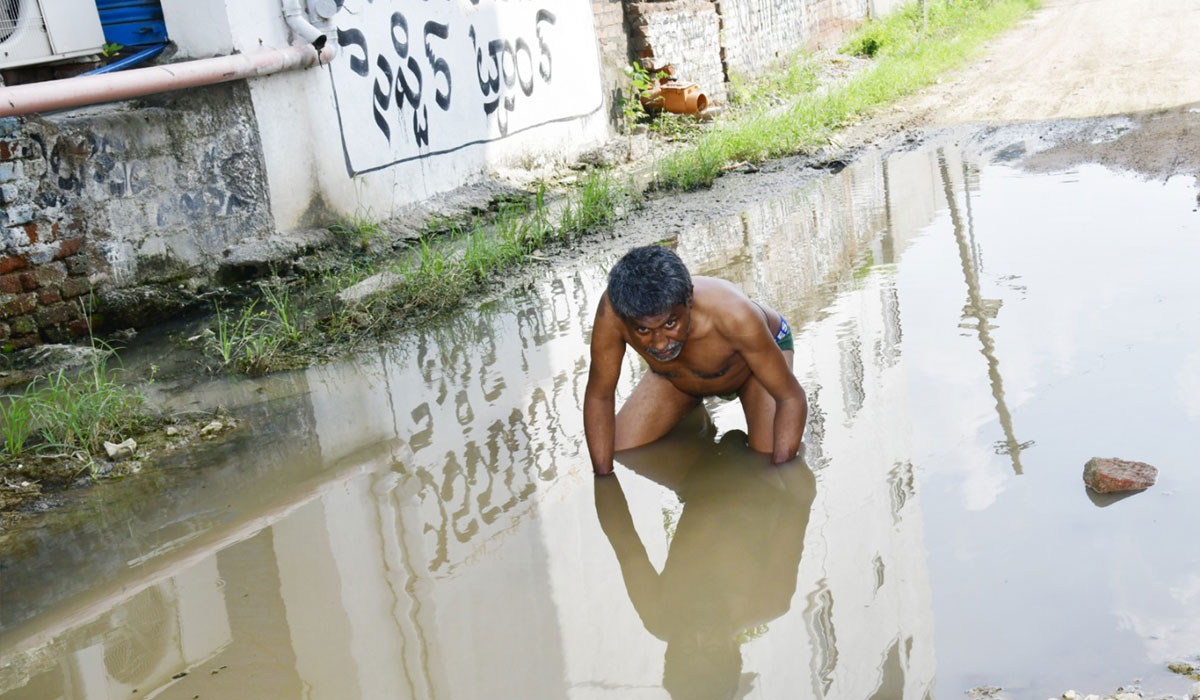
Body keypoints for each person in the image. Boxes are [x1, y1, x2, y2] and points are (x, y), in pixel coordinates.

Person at [584, 245, 808, 475]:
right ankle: (697, 428)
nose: (660, 343)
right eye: (642, 330)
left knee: (765, 460)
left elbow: (790, 398)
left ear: (689, 299)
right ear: (624, 316)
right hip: (676, 375)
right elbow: (599, 396)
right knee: (623, 450)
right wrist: (604, 479)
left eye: (670, 323)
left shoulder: (734, 315)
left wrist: (780, 478)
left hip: (753, 368)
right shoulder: (612, 313)